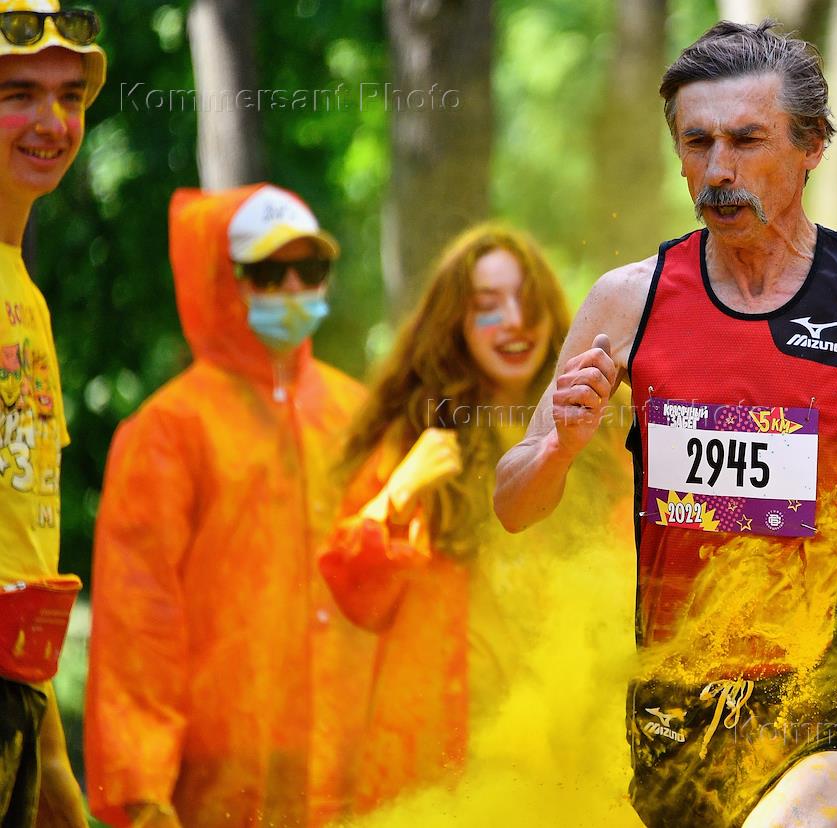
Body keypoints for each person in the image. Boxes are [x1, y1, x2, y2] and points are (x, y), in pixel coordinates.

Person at [495, 20, 837, 828]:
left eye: (747, 140)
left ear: (812, 145)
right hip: (678, 707)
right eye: (697, 143)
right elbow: (514, 505)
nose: (718, 170)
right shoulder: (628, 301)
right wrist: (558, 447)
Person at [85, 184, 376, 827]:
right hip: (213, 787)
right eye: (269, 272)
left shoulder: (357, 415)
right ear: (224, 280)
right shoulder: (169, 429)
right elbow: (139, 618)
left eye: (311, 268)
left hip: (350, 774)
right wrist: (143, 785)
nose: (293, 287)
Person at [319, 224, 623, 812]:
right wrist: (396, 496)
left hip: (568, 742)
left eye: (528, 302)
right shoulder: (415, 437)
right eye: (489, 306)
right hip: (446, 758)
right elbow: (354, 593)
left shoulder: (603, 434)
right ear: (455, 322)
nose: (516, 321)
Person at [0, 2, 105, 824]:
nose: (52, 122)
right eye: (19, 95)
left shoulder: (24, 295)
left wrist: (48, 745)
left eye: (70, 96)